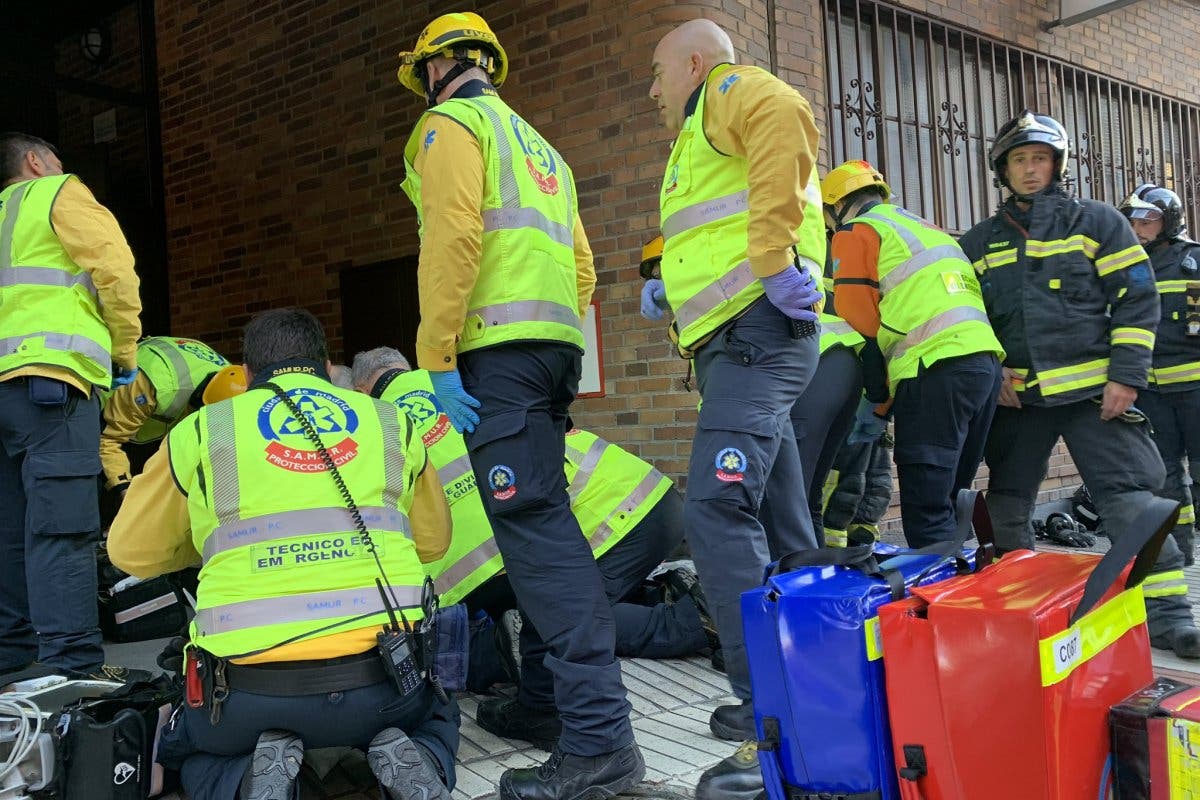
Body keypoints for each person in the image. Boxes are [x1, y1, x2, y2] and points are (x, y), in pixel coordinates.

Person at [396, 13, 644, 797]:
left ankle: (601, 742)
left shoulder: (450, 125)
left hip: (494, 358)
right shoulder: (541, 147)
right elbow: (582, 266)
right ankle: (545, 708)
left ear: (439, 68)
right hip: (550, 352)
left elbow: (454, 237)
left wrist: (436, 357)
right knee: (548, 529)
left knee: (538, 541)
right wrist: (558, 346)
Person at [107, 308, 460, 800]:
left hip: (242, 696)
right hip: (382, 684)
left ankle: (251, 780)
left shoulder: (204, 429)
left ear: (246, 374)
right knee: (441, 710)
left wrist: (214, 540)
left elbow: (131, 552)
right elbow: (432, 543)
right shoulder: (389, 421)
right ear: (326, 363)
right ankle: (415, 758)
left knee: (185, 753)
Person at [352, 347, 714, 750]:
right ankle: (670, 601)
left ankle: (695, 623)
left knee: (562, 617)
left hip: (597, 527)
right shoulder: (458, 381)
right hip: (637, 499)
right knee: (556, 609)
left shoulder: (375, 422)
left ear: (363, 390)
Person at [645, 17, 826, 796]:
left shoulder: (724, 89)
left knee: (716, 513)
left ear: (692, 63)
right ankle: (816, 697)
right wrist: (673, 291)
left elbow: (783, 114)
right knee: (785, 526)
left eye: (656, 73)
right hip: (737, 344)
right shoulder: (694, 138)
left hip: (757, 337)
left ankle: (770, 726)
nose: (652, 90)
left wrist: (772, 257)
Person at [958, 110, 1200, 659]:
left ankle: (1167, 617)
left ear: (1057, 165)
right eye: (1019, 159)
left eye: (1039, 158)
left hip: (1097, 396)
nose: (1029, 169)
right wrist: (994, 371)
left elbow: (1137, 301)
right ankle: (1015, 612)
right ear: (1003, 169)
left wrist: (1126, 377)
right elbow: (969, 317)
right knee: (1007, 506)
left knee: (1132, 502)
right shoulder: (979, 241)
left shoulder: (1097, 223)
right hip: (1021, 399)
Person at [0, 131, 142, 679]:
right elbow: (115, 271)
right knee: (62, 528)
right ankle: (73, 668)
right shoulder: (57, 192)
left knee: (11, 530)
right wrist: (123, 349)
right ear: (36, 161)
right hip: (49, 383)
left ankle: (12, 657)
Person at [825, 159, 1005, 548]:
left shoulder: (857, 230)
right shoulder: (928, 230)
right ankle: (968, 589)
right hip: (984, 367)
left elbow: (861, 321)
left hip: (937, 370)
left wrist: (874, 400)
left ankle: (944, 603)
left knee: (926, 510)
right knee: (953, 499)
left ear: (836, 206)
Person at [1119, 184, 1200, 567]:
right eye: (1132, 219)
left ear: (1168, 221)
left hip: (1195, 389)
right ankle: (1179, 553)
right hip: (1151, 391)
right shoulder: (1130, 267)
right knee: (1164, 476)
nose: (1137, 227)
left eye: (1146, 219)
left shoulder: (1194, 261)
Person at [100, 336, 244, 503]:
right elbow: (108, 441)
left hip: (153, 424)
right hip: (108, 409)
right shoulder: (156, 386)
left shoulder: (232, 383)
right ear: (197, 403)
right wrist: (125, 492)